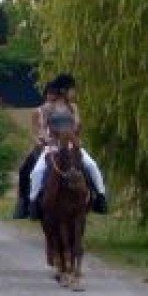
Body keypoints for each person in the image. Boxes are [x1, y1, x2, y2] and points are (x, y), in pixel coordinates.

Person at [27, 73, 109, 220]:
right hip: (53, 147)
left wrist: (73, 132)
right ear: (64, 91)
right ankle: (33, 203)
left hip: (72, 145)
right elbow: (44, 127)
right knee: (37, 172)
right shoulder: (48, 108)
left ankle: (101, 197)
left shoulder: (73, 108)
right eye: (72, 89)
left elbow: (77, 125)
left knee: (92, 165)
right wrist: (45, 138)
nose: (74, 93)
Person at [13, 81, 56, 219]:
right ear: (46, 95)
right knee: (24, 170)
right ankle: (24, 204)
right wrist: (40, 142)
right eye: (50, 94)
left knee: (87, 165)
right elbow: (33, 132)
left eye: (55, 94)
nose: (52, 97)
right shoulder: (37, 112)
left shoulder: (65, 110)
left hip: (62, 145)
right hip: (43, 147)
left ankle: (95, 196)